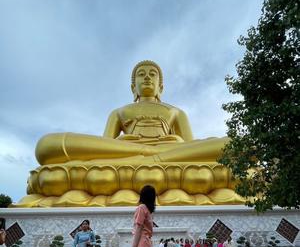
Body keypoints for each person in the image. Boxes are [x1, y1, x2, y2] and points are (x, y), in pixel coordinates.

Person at [19, 60, 241, 207]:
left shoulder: (176, 112)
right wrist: (136, 148)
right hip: (125, 153)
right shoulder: (119, 112)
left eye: (152, 74)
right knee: (47, 144)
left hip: (172, 153)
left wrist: (173, 142)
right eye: (141, 75)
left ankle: (153, 157)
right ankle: (145, 154)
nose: (146, 78)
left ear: (160, 86)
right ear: (132, 86)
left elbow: (192, 148)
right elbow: (105, 146)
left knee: (235, 145)